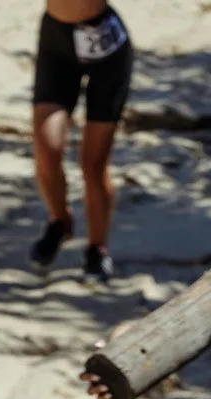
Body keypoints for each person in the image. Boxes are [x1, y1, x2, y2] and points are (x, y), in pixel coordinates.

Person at [30, 1, 134, 279]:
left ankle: (97, 249)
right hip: (57, 41)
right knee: (47, 148)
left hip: (107, 48)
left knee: (93, 165)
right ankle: (59, 220)